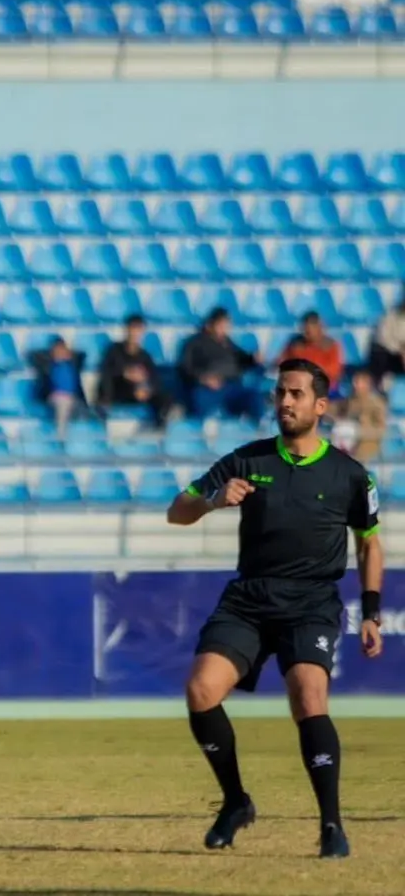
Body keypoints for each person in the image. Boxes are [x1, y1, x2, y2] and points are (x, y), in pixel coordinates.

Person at [165, 358, 384, 858]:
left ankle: (331, 826)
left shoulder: (350, 475)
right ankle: (236, 802)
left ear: (320, 406)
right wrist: (213, 500)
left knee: (308, 696)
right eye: (281, 393)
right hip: (249, 598)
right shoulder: (247, 459)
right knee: (200, 690)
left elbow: (371, 544)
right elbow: (177, 511)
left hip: (311, 601)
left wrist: (371, 612)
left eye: (296, 394)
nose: (285, 402)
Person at [177, 307, 264, 421]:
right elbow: (185, 368)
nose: (225, 329)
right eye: (221, 325)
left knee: (254, 396)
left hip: (232, 386)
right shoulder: (194, 343)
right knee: (199, 399)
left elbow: (242, 359)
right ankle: (201, 429)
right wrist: (203, 378)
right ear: (210, 325)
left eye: (227, 325)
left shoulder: (228, 343)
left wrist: (253, 359)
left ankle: (258, 428)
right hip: (208, 389)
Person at [98, 314, 173, 426]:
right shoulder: (114, 351)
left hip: (139, 392)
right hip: (119, 390)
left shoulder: (145, 356)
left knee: (164, 394)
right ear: (127, 330)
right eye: (133, 329)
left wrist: (147, 390)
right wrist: (126, 374)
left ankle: (159, 425)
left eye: (139, 330)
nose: (136, 334)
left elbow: (154, 378)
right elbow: (107, 373)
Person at [28, 336, 86, 437]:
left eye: (63, 349)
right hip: (56, 397)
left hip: (73, 397)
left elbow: (83, 354)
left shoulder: (72, 363)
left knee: (93, 412)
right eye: (58, 349)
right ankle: (60, 436)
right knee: (63, 404)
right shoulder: (48, 364)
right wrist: (52, 356)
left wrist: (69, 354)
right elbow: (32, 355)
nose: (61, 352)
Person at [280, 311, 344, 397]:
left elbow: (335, 371)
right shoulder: (295, 344)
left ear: (319, 328)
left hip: (324, 389)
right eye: (305, 330)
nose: (307, 333)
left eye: (310, 330)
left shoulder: (330, 345)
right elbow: (282, 362)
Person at [336, 370, 388, 462]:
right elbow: (336, 411)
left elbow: (381, 430)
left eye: (358, 382)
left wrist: (360, 431)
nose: (355, 385)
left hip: (367, 450)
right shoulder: (349, 401)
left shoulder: (376, 403)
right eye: (354, 382)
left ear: (367, 385)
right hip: (347, 449)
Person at [365, 287, 405, 382]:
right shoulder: (392, 315)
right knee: (378, 351)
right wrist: (400, 349)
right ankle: (381, 386)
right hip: (394, 355)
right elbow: (383, 337)